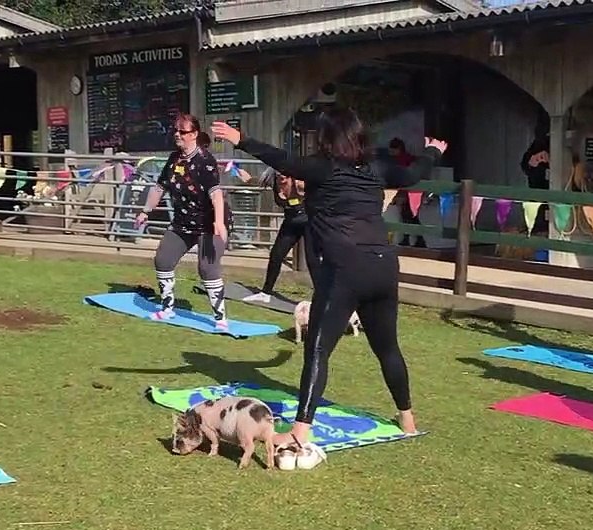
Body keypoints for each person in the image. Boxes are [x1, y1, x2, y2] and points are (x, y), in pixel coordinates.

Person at [210, 111, 446, 458]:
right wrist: (433, 151)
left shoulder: (324, 167)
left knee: (318, 350)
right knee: (387, 348)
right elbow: (413, 174)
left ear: (326, 138)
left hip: (346, 269)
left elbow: (282, 159)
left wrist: (241, 139)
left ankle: (300, 431)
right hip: (383, 266)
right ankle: (407, 420)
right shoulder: (376, 167)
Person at [135, 115, 230, 330]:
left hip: (208, 223)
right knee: (163, 260)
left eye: (182, 132)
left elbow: (216, 193)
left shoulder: (205, 160)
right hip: (182, 223)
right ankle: (167, 308)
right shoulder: (173, 159)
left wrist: (219, 222)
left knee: (207, 268)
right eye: (176, 131)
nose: (177, 135)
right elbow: (159, 187)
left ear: (194, 134)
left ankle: (220, 318)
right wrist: (145, 211)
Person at [242, 168, 319, 302]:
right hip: (291, 222)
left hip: (309, 222)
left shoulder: (298, 183)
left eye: (285, 175)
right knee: (276, 255)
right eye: (279, 175)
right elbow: (256, 182)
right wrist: (247, 178)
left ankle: (322, 297)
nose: (282, 177)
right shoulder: (273, 182)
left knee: (312, 260)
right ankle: (266, 293)